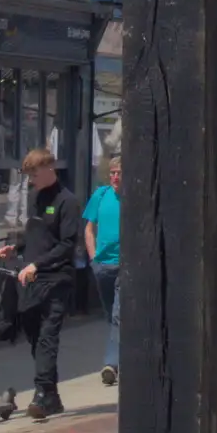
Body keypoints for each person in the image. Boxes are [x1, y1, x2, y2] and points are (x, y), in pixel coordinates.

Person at [0, 146, 80, 419]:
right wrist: (16, 250)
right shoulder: (35, 197)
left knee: (47, 335)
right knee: (33, 333)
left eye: (34, 174)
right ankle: (52, 396)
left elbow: (66, 244)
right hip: (31, 278)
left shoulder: (67, 201)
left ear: (49, 169)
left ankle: (42, 393)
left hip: (57, 278)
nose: (31, 180)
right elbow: (34, 236)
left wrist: (37, 263)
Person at [84, 156, 122, 387]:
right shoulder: (100, 195)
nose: (116, 177)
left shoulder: (133, 197)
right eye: (113, 173)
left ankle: (111, 364)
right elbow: (89, 229)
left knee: (118, 315)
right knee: (112, 316)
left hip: (124, 266)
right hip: (102, 266)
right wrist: (93, 258)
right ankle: (125, 352)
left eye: (120, 173)